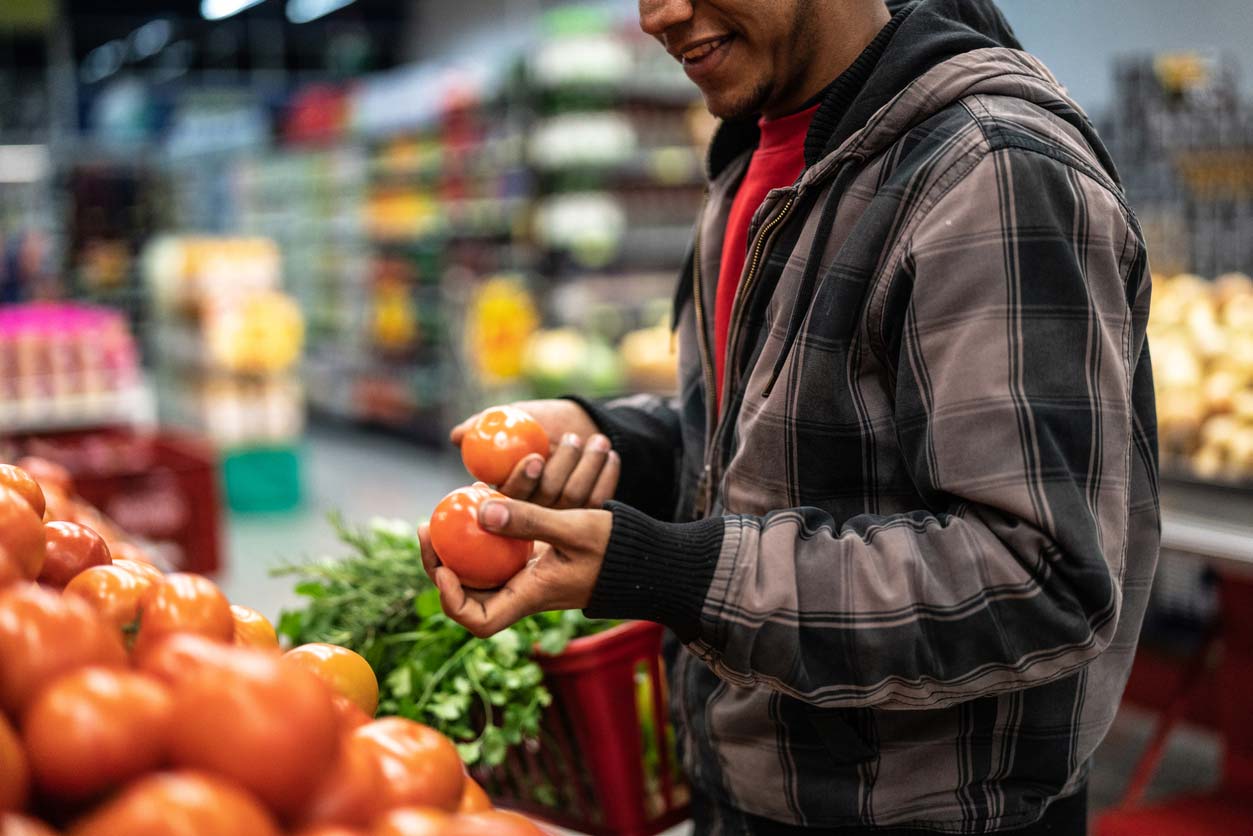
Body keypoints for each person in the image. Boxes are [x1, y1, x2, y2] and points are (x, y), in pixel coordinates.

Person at [419, 0, 1159, 832]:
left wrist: (666, 572)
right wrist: (614, 441)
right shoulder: (755, 159)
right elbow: (778, 441)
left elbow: (1038, 579)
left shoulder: (988, 172)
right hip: (752, 781)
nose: (658, 15)